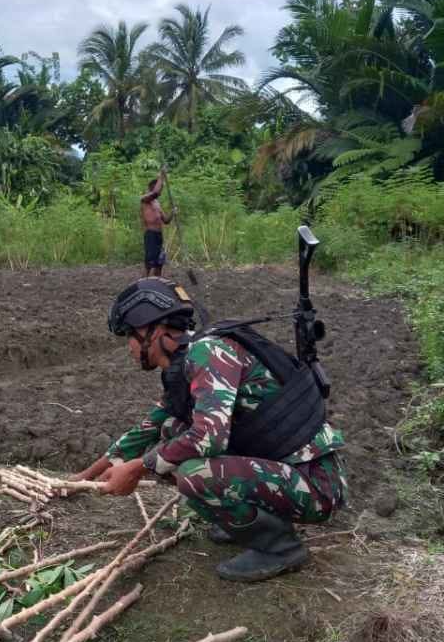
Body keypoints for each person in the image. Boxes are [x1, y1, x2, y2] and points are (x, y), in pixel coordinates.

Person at [74, 278, 348, 582]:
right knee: (170, 431)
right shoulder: (186, 362)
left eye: (130, 336)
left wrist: (139, 468)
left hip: (317, 485)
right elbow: (146, 430)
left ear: (154, 331)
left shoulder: (208, 353)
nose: (129, 346)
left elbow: (208, 437)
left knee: (194, 472)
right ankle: (243, 521)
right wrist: (79, 480)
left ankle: (280, 548)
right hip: (285, 472)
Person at [140, 169, 173, 277]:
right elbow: (156, 192)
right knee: (149, 264)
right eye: (160, 186)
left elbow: (166, 220)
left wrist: (172, 212)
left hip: (159, 235)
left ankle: (157, 284)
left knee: (159, 263)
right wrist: (161, 176)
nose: (161, 190)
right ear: (152, 188)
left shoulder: (157, 204)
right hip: (150, 235)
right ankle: (144, 284)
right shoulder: (145, 199)